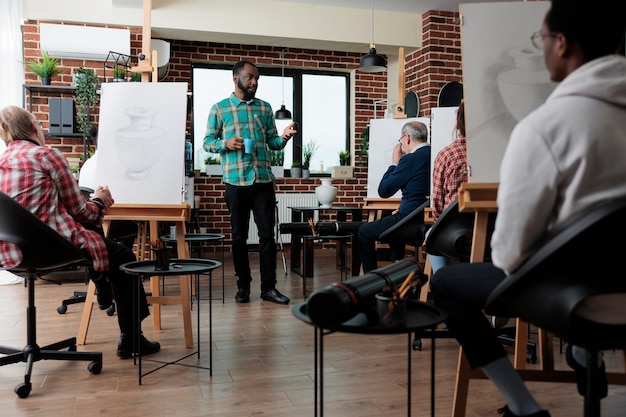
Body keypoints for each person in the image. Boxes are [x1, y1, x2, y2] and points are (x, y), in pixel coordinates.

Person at [429, 1, 626, 416]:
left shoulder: (544, 126)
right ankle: (581, 353)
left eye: (542, 40)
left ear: (562, 44)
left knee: (447, 285)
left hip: (578, 300)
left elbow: (509, 254)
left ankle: (524, 407)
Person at [0, 105, 160, 359]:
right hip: (48, 248)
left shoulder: (2, 162)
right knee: (125, 258)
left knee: (95, 239)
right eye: (39, 125)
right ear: (33, 126)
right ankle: (132, 338)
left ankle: (102, 281)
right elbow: (82, 212)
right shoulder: (47, 156)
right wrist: (99, 200)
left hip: (10, 255)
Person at [203, 60, 296, 305]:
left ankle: (269, 288)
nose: (254, 82)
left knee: (267, 236)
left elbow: (273, 142)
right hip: (235, 181)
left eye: (257, 78)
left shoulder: (265, 109)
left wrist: (284, 137)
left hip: (263, 180)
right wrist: (225, 144)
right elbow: (207, 142)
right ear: (236, 78)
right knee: (238, 237)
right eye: (250, 77)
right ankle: (243, 287)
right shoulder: (220, 109)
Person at [357, 121, 430, 273]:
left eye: (401, 140)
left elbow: (384, 191)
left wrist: (394, 162)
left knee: (364, 232)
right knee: (393, 223)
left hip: (409, 221)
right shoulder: (436, 154)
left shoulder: (409, 159)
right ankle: (397, 270)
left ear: (407, 138)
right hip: (427, 218)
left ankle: (372, 281)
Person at [424, 101, 468, 274]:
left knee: (431, 235)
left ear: (458, 123)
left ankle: (442, 280)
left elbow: (437, 204)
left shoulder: (446, 155)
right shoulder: (496, 153)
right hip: (491, 235)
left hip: (454, 235)